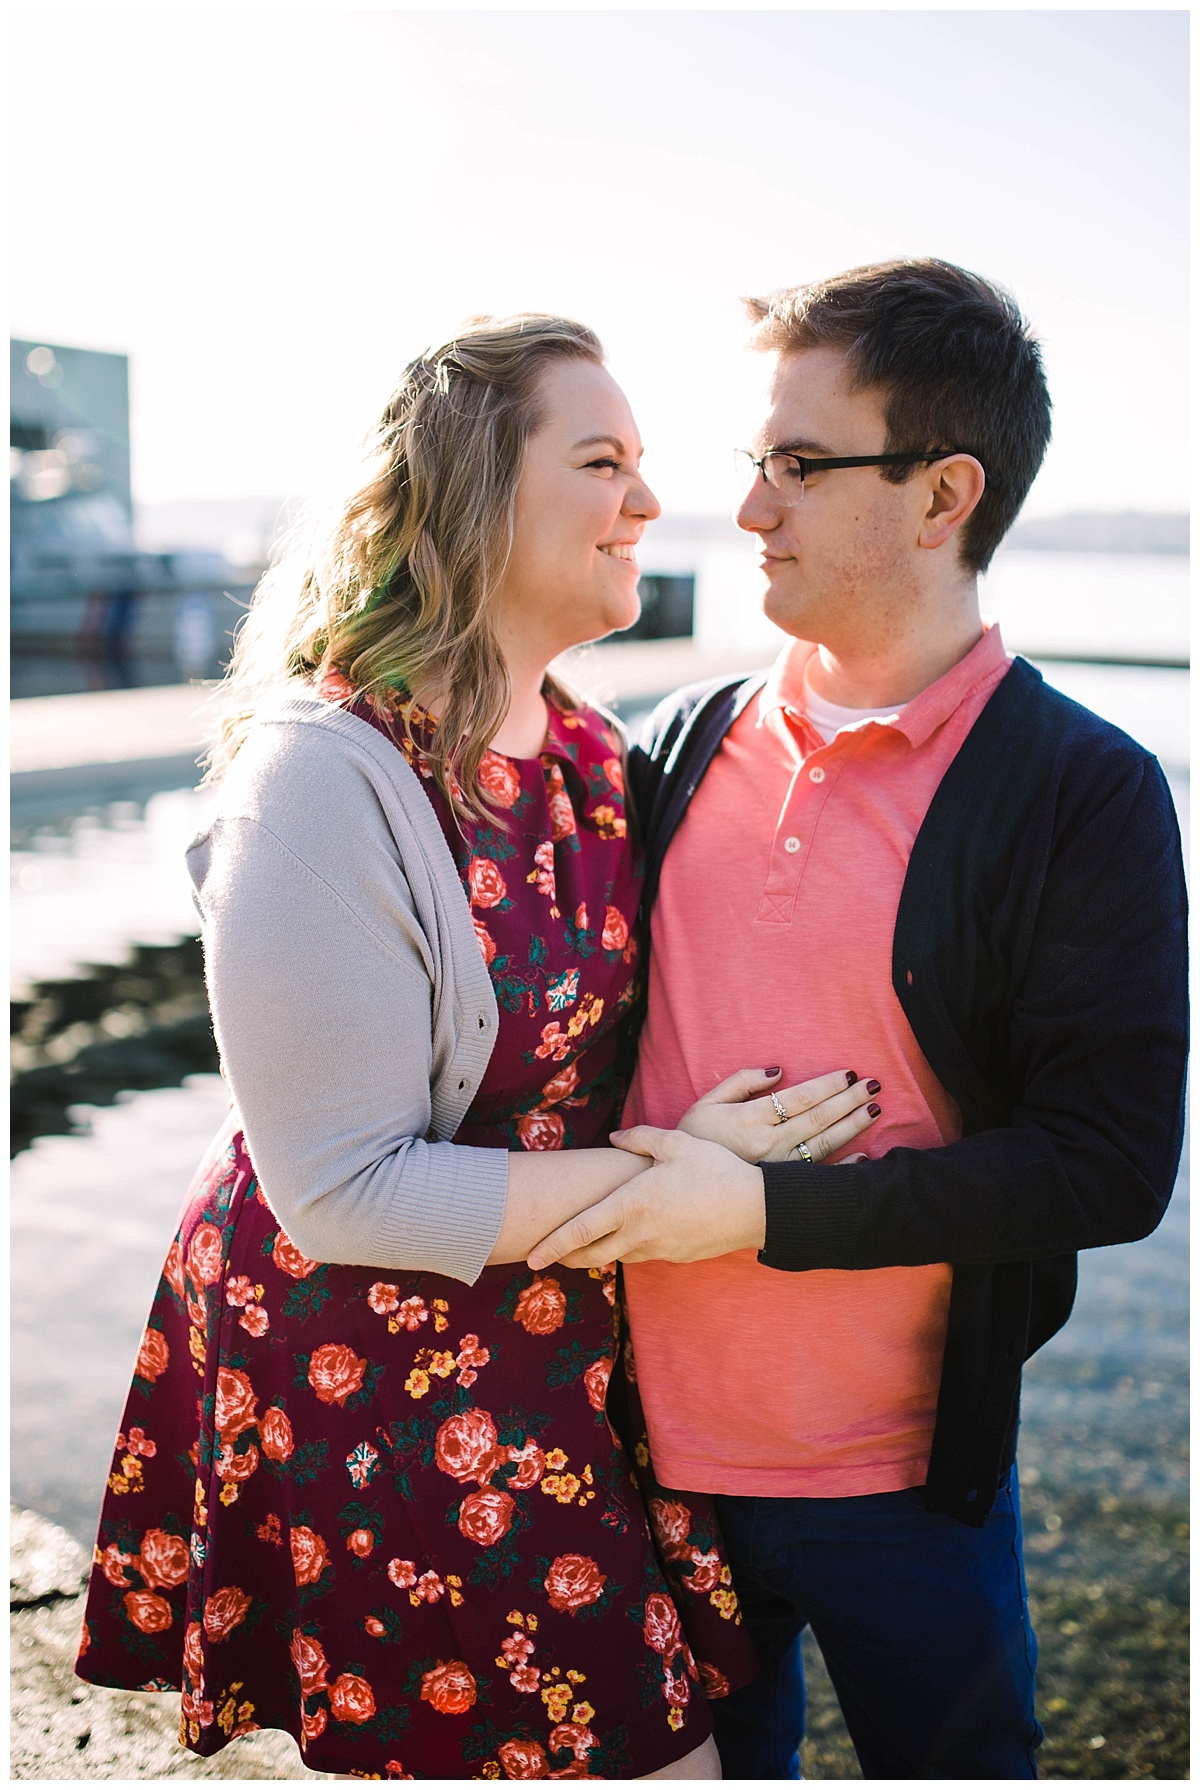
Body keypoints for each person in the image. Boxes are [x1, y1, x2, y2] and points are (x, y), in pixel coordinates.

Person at [72, 314, 881, 1780]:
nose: (649, 503)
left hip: (559, 1324)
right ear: (472, 496)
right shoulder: (318, 779)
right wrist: (681, 1179)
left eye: (645, 466)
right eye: (603, 463)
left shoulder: (585, 750)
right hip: (379, 1348)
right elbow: (345, 1188)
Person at [525, 261, 1189, 1778]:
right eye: (759, 463)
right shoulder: (672, 745)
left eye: (800, 467)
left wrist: (757, 1210)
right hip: (645, 1471)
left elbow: (1106, 1166)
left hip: (908, 1488)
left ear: (944, 493)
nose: (751, 509)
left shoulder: (1084, 792)